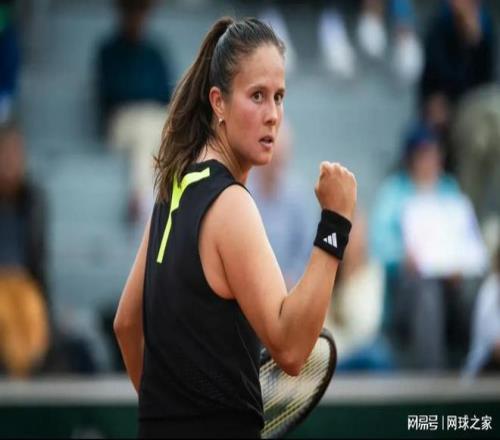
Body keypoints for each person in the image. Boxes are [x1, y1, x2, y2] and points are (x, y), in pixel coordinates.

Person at [113, 17, 357, 438]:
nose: (272, 115)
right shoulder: (231, 205)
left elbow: (126, 324)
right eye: (257, 96)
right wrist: (335, 222)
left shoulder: (172, 189)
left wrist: (167, 414)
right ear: (219, 103)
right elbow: (291, 349)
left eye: (279, 97)